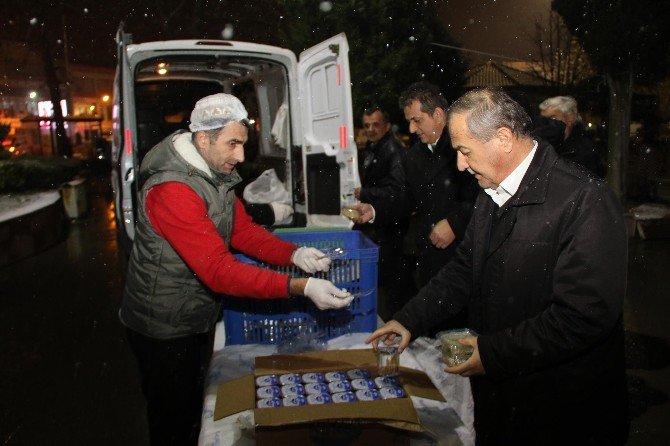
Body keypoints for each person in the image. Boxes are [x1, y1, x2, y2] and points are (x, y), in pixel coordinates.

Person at [366, 88, 629, 445]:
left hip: (564, 409)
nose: (459, 164)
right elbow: (463, 271)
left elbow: (584, 316)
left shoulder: (585, 200)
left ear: (503, 138)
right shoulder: (490, 194)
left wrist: (490, 354)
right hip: (504, 398)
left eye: (464, 151)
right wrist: (409, 319)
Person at [119, 93, 354, 445]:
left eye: (243, 144)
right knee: (173, 418)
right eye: (233, 144)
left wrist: (294, 254)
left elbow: (242, 231)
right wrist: (300, 287)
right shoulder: (173, 189)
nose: (240, 156)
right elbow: (219, 270)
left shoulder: (214, 174)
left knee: (193, 402)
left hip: (193, 314)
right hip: (162, 325)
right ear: (203, 139)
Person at [353, 82, 477, 327]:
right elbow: (405, 198)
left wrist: (455, 222)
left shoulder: (465, 148)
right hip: (432, 255)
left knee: (462, 327)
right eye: (409, 120)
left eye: (417, 120)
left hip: (467, 256)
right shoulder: (414, 156)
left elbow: (486, 195)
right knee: (436, 322)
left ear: (439, 114)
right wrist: (374, 210)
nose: (411, 127)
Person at [355, 106, 415, 317]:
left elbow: (397, 191)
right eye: (367, 125)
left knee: (396, 285)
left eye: (376, 124)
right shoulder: (376, 147)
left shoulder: (393, 150)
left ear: (387, 126)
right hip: (385, 226)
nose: (370, 129)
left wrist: (365, 193)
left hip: (396, 228)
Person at [539, 95, 604, 177]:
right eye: (543, 119)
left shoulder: (585, 151)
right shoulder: (540, 145)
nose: (547, 124)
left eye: (553, 118)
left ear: (570, 118)